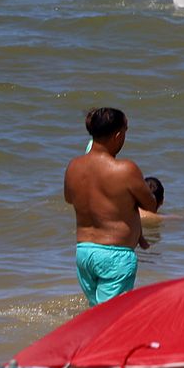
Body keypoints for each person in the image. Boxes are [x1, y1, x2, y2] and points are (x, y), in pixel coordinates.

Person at [64, 108, 157, 307]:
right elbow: (150, 205)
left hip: (84, 253)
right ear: (117, 135)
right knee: (110, 318)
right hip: (115, 256)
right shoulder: (125, 169)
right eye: (125, 131)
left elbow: (69, 198)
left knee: (96, 313)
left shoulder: (73, 166)